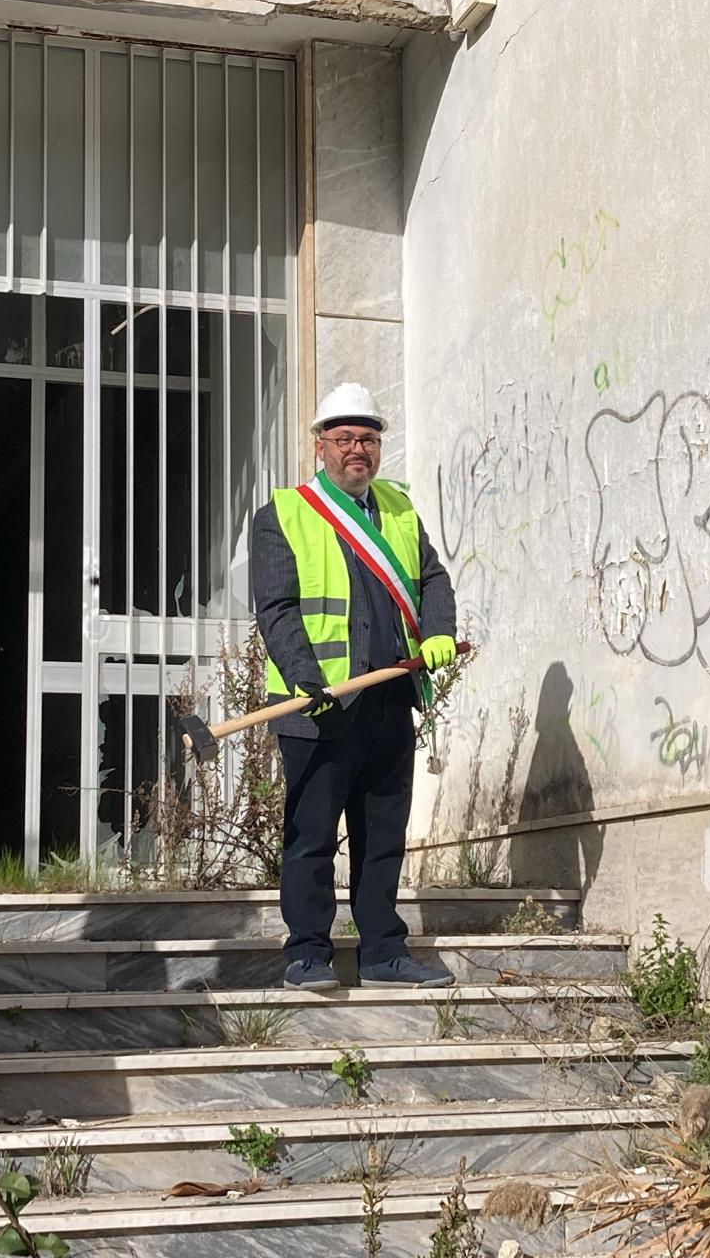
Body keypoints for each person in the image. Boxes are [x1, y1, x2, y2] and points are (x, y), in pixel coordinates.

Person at [250, 381, 459, 991]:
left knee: (383, 835)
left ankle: (383, 953)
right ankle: (308, 954)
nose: (357, 450)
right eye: (344, 439)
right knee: (311, 836)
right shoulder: (284, 514)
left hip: (389, 700)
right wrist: (306, 678)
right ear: (321, 447)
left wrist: (437, 631)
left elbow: (433, 579)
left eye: (367, 439)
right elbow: (278, 609)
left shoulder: (397, 507)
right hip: (316, 707)